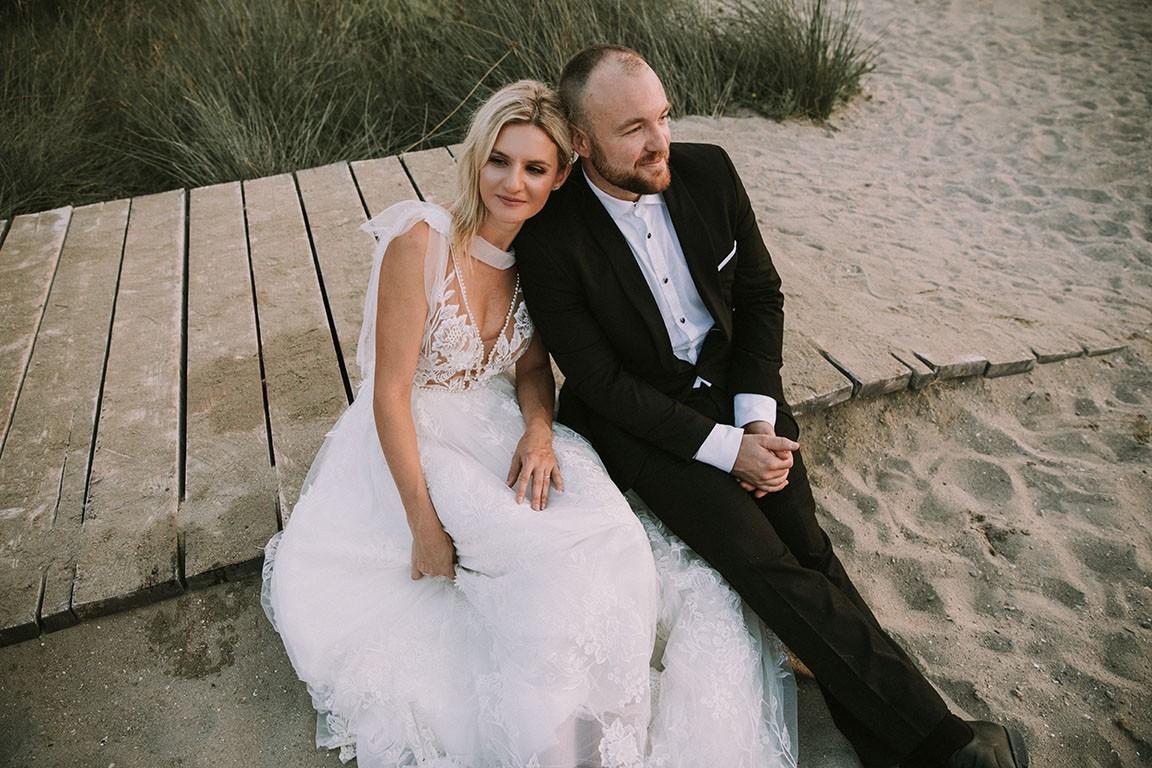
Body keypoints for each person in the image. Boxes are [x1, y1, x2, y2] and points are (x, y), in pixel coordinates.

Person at [515, 46, 1030, 768]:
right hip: (644, 422)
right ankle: (951, 747)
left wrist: (755, 419)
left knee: (810, 550)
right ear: (581, 139)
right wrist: (729, 452)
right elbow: (601, 383)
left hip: (739, 391)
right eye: (633, 129)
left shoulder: (710, 171)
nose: (660, 141)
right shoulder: (551, 235)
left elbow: (760, 296)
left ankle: (894, 746)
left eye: (663, 116)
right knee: (763, 564)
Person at [262, 79, 797, 768]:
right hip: (419, 434)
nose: (513, 183)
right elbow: (388, 394)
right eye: (500, 161)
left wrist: (539, 430)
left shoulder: (536, 260)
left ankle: (605, 723)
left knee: (614, 538)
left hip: (502, 424)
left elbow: (532, 371)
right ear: (477, 158)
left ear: (560, 176)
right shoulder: (422, 241)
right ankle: (562, 743)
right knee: (544, 564)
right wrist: (424, 525)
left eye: (534, 168)